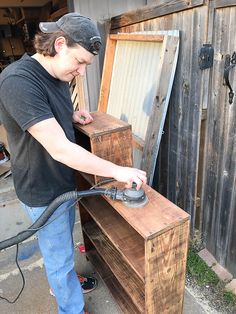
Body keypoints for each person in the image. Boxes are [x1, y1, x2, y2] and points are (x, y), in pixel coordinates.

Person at [0, 12, 147, 314]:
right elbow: (60, 149)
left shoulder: (57, 73)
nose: (81, 71)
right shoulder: (18, 81)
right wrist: (118, 171)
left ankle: (61, 282)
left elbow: (45, 112)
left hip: (61, 184)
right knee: (59, 255)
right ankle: (71, 308)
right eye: (80, 62)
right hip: (42, 189)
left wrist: (70, 115)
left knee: (60, 245)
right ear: (60, 44)